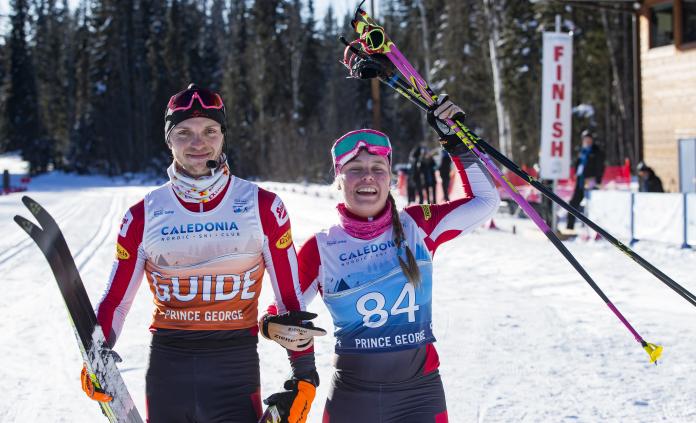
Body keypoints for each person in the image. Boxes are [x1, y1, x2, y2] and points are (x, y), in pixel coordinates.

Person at [80, 84, 325, 423]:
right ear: (169, 140)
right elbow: (116, 302)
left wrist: (305, 375)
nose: (199, 143)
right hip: (170, 368)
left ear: (223, 136)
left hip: (235, 367)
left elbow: (289, 300)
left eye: (210, 130)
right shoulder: (142, 216)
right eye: (184, 133)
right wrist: (95, 358)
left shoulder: (263, 207)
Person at [284, 98, 500, 422]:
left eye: (377, 169)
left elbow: (485, 201)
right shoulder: (321, 248)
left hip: (420, 397)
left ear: (390, 178)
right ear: (338, 180)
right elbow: (284, 311)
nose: (367, 178)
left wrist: (456, 143)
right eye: (355, 170)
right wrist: (293, 357)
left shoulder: (418, 226)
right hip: (352, 398)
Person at [566, 129, 605, 231]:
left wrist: (598, 180)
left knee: (591, 205)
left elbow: (600, 167)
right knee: (573, 203)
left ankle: (593, 230)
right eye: (585, 139)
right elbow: (578, 164)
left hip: (591, 180)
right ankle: (570, 227)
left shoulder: (596, 151)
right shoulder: (582, 151)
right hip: (580, 180)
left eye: (589, 139)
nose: (587, 141)